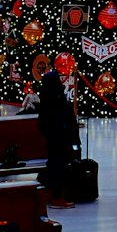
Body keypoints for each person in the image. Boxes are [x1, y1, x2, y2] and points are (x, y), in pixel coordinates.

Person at [37, 70, 80, 209]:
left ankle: (53, 194)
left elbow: (42, 122)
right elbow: (65, 118)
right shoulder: (56, 98)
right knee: (59, 167)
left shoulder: (45, 97)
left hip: (52, 139)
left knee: (55, 165)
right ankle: (57, 197)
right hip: (59, 140)